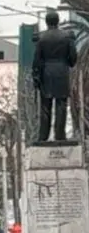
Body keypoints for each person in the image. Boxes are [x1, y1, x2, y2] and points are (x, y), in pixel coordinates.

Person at [33, 9, 78, 142]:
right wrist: (67, 62)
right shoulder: (67, 36)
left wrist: (36, 75)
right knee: (61, 104)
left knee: (45, 106)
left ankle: (43, 136)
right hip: (62, 72)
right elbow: (73, 57)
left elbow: (37, 59)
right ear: (58, 21)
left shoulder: (41, 38)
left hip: (46, 73)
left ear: (46, 22)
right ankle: (60, 135)